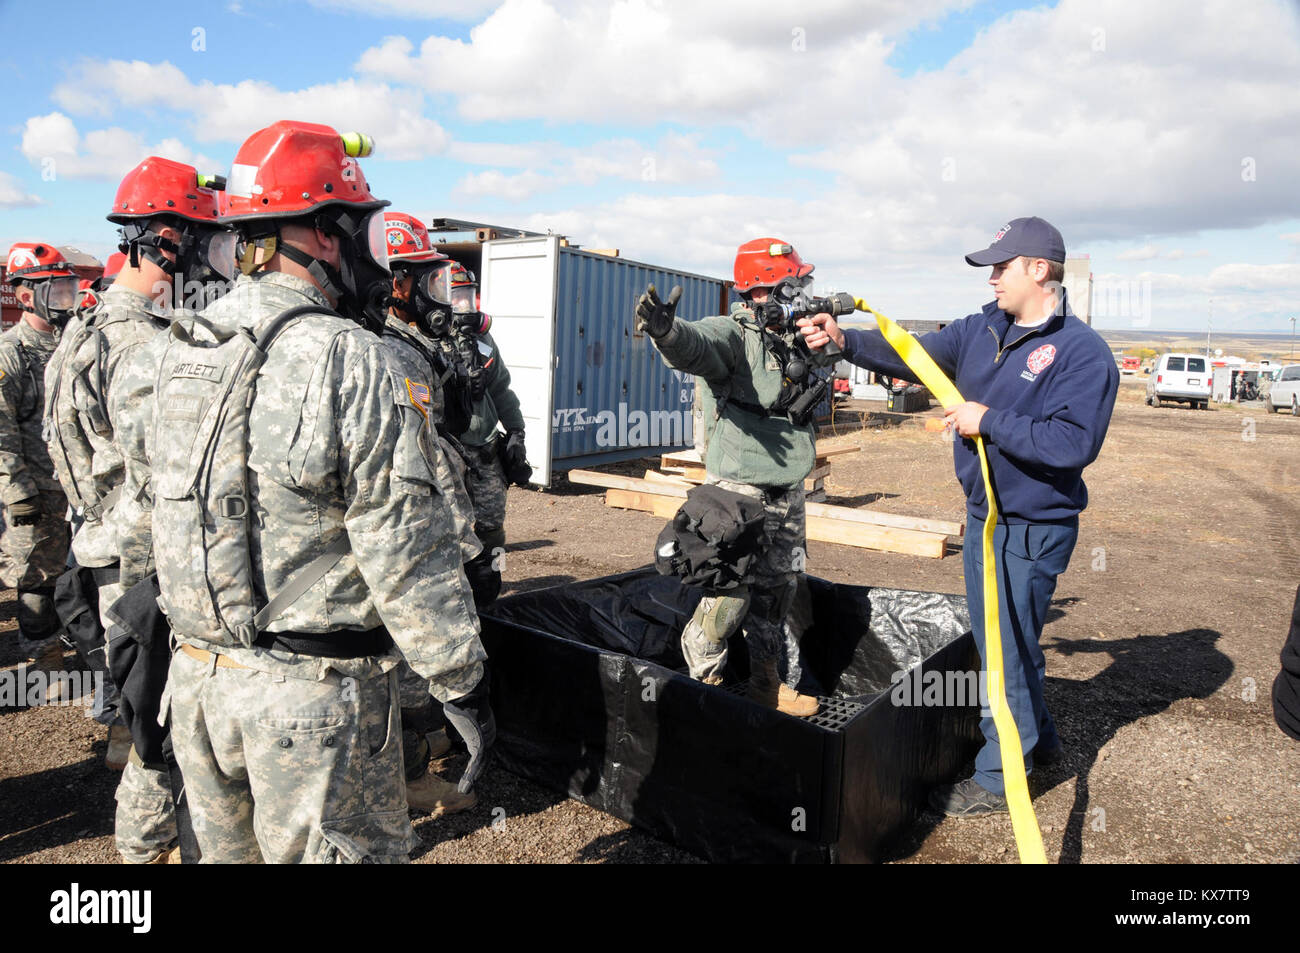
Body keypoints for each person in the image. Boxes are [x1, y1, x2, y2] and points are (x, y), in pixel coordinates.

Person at [113, 120, 491, 863]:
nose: (366, 252)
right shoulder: (354, 358)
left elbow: (143, 515)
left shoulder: (179, 347)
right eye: (357, 231)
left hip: (200, 689)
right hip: (315, 708)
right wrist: (460, 678)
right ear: (323, 234)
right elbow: (403, 541)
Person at [800, 216, 1120, 814]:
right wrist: (846, 342)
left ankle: (1002, 778)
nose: (993, 277)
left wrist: (988, 419)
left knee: (1003, 649)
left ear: (1039, 270)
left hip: (1030, 528)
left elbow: (1073, 444)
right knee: (1011, 640)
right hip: (983, 520)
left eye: (1002, 266)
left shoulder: (1083, 354)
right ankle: (1040, 740)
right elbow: (914, 355)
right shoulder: (981, 328)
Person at [634, 237, 834, 717]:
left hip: (787, 489)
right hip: (738, 493)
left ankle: (767, 684)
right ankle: (707, 685)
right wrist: (667, 333)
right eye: (791, 286)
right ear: (759, 293)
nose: (801, 294)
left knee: (776, 594)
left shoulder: (797, 337)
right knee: (728, 600)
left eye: (802, 283)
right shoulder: (734, 333)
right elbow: (697, 345)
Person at [381, 209, 485, 817]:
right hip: (413, 523)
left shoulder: (419, 344)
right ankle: (410, 775)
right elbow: (426, 458)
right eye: (428, 280)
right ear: (399, 285)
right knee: (407, 653)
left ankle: (413, 762)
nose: (440, 294)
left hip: (423, 514)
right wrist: (467, 546)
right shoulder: (393, 353)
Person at [422, 260, 530, 606]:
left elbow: (501, 387)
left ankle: (491, 583)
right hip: (448, 449)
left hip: (486, 450)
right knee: (451, 525)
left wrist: (516, 431)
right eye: (456, 298)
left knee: (493, 524)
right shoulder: (425, 342)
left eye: (468, 297)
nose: (463, 307)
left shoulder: (483, 340)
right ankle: (453, 592)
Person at [1, 243, 74, 688]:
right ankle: (45, 660)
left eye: (69, 288)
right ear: (27, 296)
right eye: (57, 289)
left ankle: (73, 643)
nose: (66, 298)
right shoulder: (12, 353)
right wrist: (17, 492)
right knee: (34, 575)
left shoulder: (70, 344)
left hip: (75, 489)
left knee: (74, 575)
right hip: (35, 489)